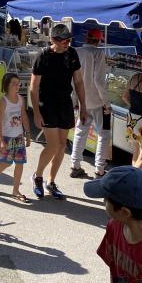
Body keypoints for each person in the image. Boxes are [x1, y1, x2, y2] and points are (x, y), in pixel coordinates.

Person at [30, 23, 87, 201]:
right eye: (64, 40)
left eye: (69, 40)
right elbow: (34, 87)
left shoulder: (72, 54)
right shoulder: (43, 55)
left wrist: (83, 106)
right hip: (47, 104)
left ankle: (51, 181)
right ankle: (37, 175)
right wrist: (37, 113)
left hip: (65, 103)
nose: (67, 43)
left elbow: (78, 82)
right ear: (53, 40)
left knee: (62, 145)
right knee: (53, 144)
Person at [70, 29, 111, 180]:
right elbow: (99, 81)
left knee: (80, 132)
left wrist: (75, 100)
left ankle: (75, 165)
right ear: (99, 40)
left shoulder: (77, 51)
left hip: (83, 101)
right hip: (97, 101)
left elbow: (73, 80)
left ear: (87, 38)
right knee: (104, 134)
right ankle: (99, 169)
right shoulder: (98, 53)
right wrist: (106, 103)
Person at [0, 72, 32, 201]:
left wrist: (28, 133)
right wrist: (1, 140)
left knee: (20, 164)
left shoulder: (20, 99)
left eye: (18, 83)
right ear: (6, 85)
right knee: (5, 163)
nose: (17, 86)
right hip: (7, 137)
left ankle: (15, 190)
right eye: (13, 83)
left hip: (18, 137)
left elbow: (24, 116)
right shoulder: (4, 101)